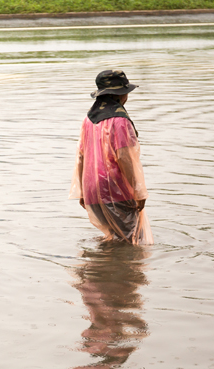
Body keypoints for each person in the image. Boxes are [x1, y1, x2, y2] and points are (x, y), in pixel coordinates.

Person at [70, 70, 152, 245]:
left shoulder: (89, 119)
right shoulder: (120, 120)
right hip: (116, 190)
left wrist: (83, 191)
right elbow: (125, 158)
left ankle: (101, 268)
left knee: (114, 238)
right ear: (121, 94)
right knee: (133, 241)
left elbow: (81, 156)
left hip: (92, 189)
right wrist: (139, 191)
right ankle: (117, 269)